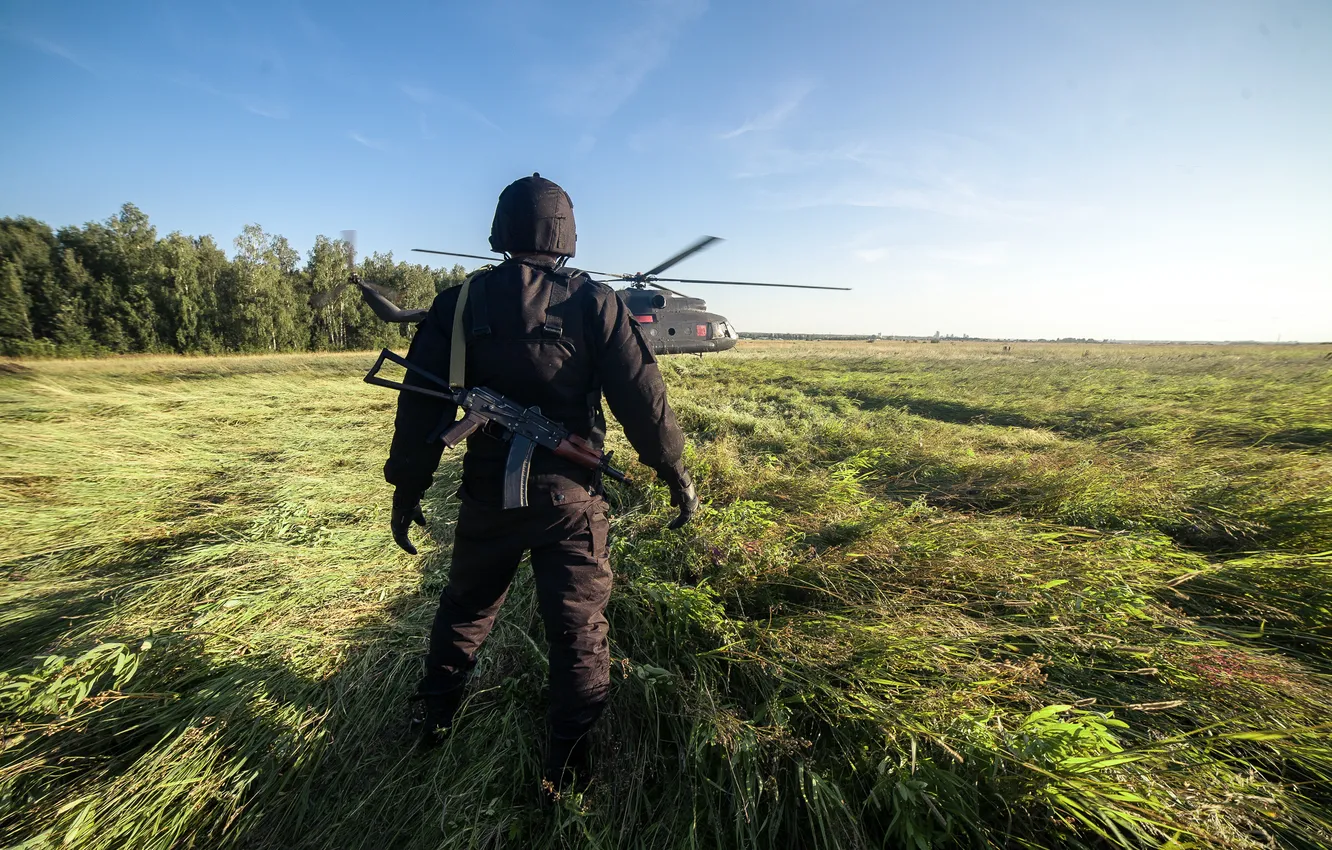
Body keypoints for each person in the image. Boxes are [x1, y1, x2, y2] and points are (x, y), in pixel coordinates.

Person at [382, 174, 698, 792]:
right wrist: (674, 471)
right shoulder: (594, 302)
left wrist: (407, 486)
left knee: (466, 609)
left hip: (485, 498)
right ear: (567, 234)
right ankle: (570, 763)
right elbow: (644, 400)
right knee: (579, 629)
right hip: (571, 502)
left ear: (500, 230)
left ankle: (435, 716)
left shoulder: (460, 303)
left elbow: (419, 408)